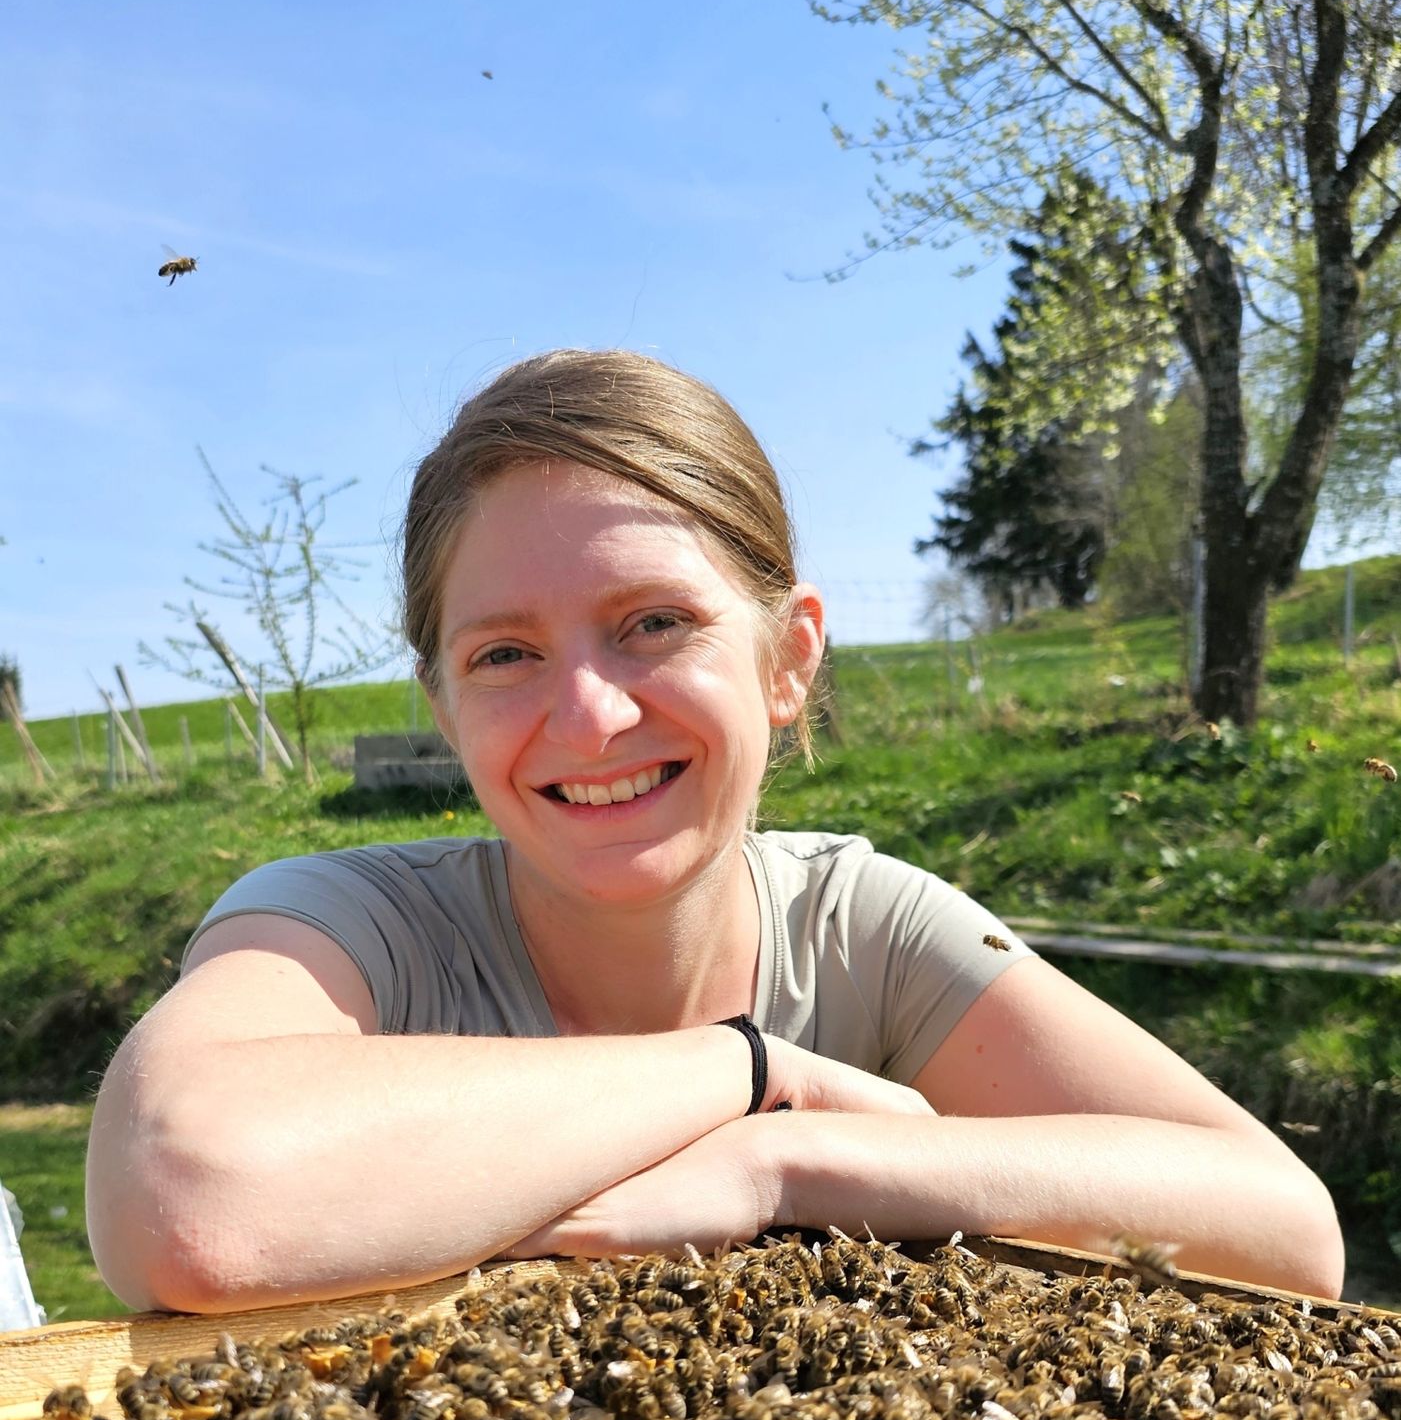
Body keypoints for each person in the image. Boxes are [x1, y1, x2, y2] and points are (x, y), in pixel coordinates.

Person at [87, 350, 1344, 1313]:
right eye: (506, 653)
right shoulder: (343, 926)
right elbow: (186, 1191)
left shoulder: (870, 932)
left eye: (653, 624)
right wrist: (748, 1072)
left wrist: (787, 1169)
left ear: (788, 656)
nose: (587, 719)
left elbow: (1286, 1230)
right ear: (445, 706)